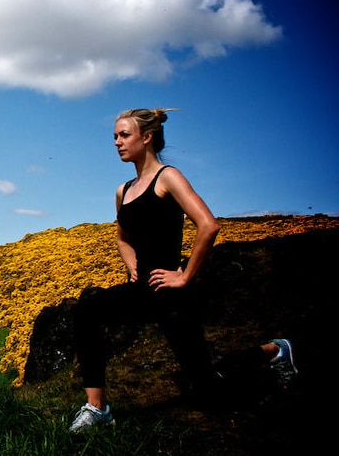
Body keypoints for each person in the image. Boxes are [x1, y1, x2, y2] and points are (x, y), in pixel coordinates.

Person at [68, 108, 298, 433]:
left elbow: (209, 225)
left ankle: (275, 350)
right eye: (115, 137)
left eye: (124, 135)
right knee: (88, 309)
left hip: (172, 293)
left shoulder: (168, 178)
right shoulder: (123, 191)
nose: (117, 143)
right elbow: (123, 240)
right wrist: (132, 266)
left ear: (146, 137)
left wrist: (185, 275)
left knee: (209, 389)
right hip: (141, 289)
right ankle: (98, 408)